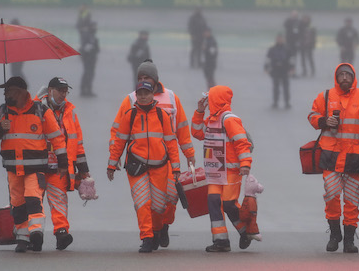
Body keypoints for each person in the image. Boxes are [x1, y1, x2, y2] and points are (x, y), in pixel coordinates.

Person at [109, 59, 196, 247]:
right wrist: (113, 158)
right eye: (140, 77)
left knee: (169, 200)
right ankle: (149, 236)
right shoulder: (130, 100)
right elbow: (118, 132)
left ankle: (163, 226)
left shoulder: (172, 98)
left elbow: (181, 129)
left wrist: (188, 154)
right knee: (144, 202)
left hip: (165, 160)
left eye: (146, 77)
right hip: (138, 162)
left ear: (156, 79)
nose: (143, 81)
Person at [0, 77, 68, 253]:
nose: (5, 94)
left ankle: (36, 232)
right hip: (13, 169)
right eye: (5, 91)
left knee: (33, 198)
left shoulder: (41, 111)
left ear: (21, 92)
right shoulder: (1, 112)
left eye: (9, 91)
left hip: (36, 168)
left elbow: (57, 138)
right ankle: (23, 238)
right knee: (17, 203)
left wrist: (63, 163)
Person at [307, 63, 359, 253]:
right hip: (330, 156)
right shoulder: (325, 96)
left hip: (354, 158)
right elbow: (312, 115)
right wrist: (324, 121)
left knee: (351, 200)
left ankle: (349, 240)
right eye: (340, 74)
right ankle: (335, 235)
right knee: (331, 195)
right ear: (336, 77)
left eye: (347, 74)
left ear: (353, 77)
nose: (344, 77)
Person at [107, 80, 181, 253]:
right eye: (140, 94)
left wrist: (176, 168)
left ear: (152, 95)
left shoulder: (163, 116)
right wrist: (112, 164)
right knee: (142, 203)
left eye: (146, 93)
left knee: (158, 206)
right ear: (137, 96)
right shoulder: (129, 115)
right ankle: (146, 237)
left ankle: (156, 230)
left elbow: (171, 143)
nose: (143, 97)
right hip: (136, 167)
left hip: (160, 167)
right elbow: (119, 141)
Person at [192, 85, 255, 252]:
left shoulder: (229, 119)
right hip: (215, 172)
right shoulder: (211, 119)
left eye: (210, 98)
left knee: (228, 204)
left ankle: (246, 231)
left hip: (231, 172)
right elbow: (197, 133)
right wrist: (199, 112)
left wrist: (245, 164)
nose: (208, 101)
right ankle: (221, 241)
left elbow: (242, 143)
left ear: (216, 100)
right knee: (213, 202)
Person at [37, 77, 91, 250]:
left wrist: (83, 170)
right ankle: (33, 233)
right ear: (50, 90)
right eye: (60, 90)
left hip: (59, 165)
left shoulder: (70, 112)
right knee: (34, 199)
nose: (63, 94)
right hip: (36, 162)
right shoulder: (36, 108)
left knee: (59, 199)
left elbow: (78, 142)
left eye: (65, 91)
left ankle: (61, 232)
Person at [264, 34, 293, 109]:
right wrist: (266, 68)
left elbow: (291, 59)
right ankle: (275, 102)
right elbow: (268, 59)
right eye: (278, 39)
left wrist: (292, 68)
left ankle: (287, 102)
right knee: (276, 87)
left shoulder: (287, 49)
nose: (279, 40)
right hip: (275, 70)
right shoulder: (272, 49)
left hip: (284, 70)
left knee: (286, 87)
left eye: (281, 39)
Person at [79, 22, 99, 97]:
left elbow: (96, 46)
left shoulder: (92, 35)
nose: (95, 28)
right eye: (94, 27)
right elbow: (84, 46)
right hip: (88, 57)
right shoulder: (87, 35)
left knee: (90, 73)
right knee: (87, 73)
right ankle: (84, 89)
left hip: (92, 57)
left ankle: (88, 89)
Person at [283, 10, 301, 75]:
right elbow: (285, 26)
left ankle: (293, 71)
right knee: (287, 57)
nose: (294, 16)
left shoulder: (298, 22)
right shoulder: (288, 21)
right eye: (293, 15)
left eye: (296, 15)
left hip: (295, 43)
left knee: (294, 58)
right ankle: (287, 70)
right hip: (288, 42)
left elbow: (300, 31)